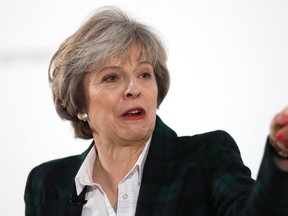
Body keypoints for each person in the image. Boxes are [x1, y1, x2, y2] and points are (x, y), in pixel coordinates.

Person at [24, 6, 288, 216]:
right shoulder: (47, 184)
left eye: (144, 74)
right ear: (80, 104)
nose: (133, 88)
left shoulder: (206, 158)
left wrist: (281, 155)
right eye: (111, 78)